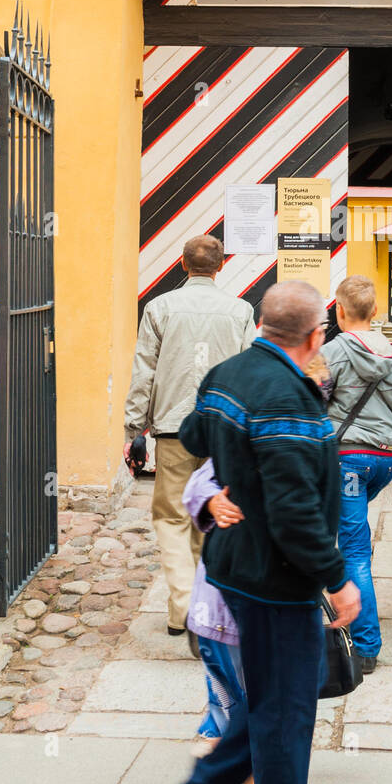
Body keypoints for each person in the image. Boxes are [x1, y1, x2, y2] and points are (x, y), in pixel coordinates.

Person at [172, 280, 360, 784]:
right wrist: (336, 579)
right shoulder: (289, 398)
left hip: (232, 565)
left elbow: (194, 435)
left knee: (273, 698)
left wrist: (232, 477)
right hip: (274, 579)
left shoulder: (228, 373)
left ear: (261, 325)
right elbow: (294, 511)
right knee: (286, 709)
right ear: (314, 335)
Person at [123, 234, 255, 640]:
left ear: (182, 265)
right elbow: (249, 373)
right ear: (221, 266)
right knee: (214, 516)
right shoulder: (240, 311)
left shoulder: (160, 308)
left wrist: (134, 429)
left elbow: (144, 368)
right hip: (223, 433)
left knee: (171, 517)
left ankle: (182, 605)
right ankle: (211, 604)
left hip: (173, 430)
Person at [316, 274, 392, 672]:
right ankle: (336, 614)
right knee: (350, 537)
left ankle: (364, 646)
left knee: (353, 549)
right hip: (386, 460)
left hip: (347, 461)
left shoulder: (328, 352)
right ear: (376, 312)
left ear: (339, 310)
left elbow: (310, 404)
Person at [182, 458, 254, 784]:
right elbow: (198, 484)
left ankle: (222, 768)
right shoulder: (237, 438)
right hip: (222, 607)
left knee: (243, 697)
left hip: (240, 607)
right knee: (242, 698)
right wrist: (212, 500)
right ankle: (233, 778)